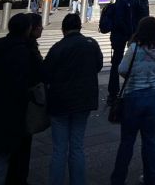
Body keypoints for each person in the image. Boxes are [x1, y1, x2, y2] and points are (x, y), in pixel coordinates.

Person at [44, 13, 103, 185]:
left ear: (63, 29)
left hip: (60, 102)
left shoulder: (58, 47)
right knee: (77, 147)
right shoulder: (91, 44)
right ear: (79, 27)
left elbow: (46, 72)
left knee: (59, 149)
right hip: (83, 101)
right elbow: (98, 66)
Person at [110, 17, 155, 185]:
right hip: (154, 96)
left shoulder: (135, 48)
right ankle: (152, 177)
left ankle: (118, 179)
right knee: (150, 140)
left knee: (127, 141)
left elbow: (121, 69)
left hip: (134, 95)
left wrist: (134, 77)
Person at [0, 13, 41, 184]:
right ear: (28, 30)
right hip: (15, 108)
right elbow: (37, 76)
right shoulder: (26, 52)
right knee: (5, 155)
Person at [6, 13, 44, 185]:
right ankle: (18, 178)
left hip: (10, 103)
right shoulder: (27, 51)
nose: (41, 28)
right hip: (22, 103)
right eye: (38, 25)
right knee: (20, 146)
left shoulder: (5, 46)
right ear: (29, 29)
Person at [108, 0, 142, 106]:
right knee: (117, 63)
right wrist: (130, 34)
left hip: (128, 35)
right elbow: (120, 20)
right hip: (121, 36)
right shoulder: (122, 1)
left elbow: (138, 16)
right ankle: (113, 93)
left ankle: (121, 90)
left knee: (127, 62)